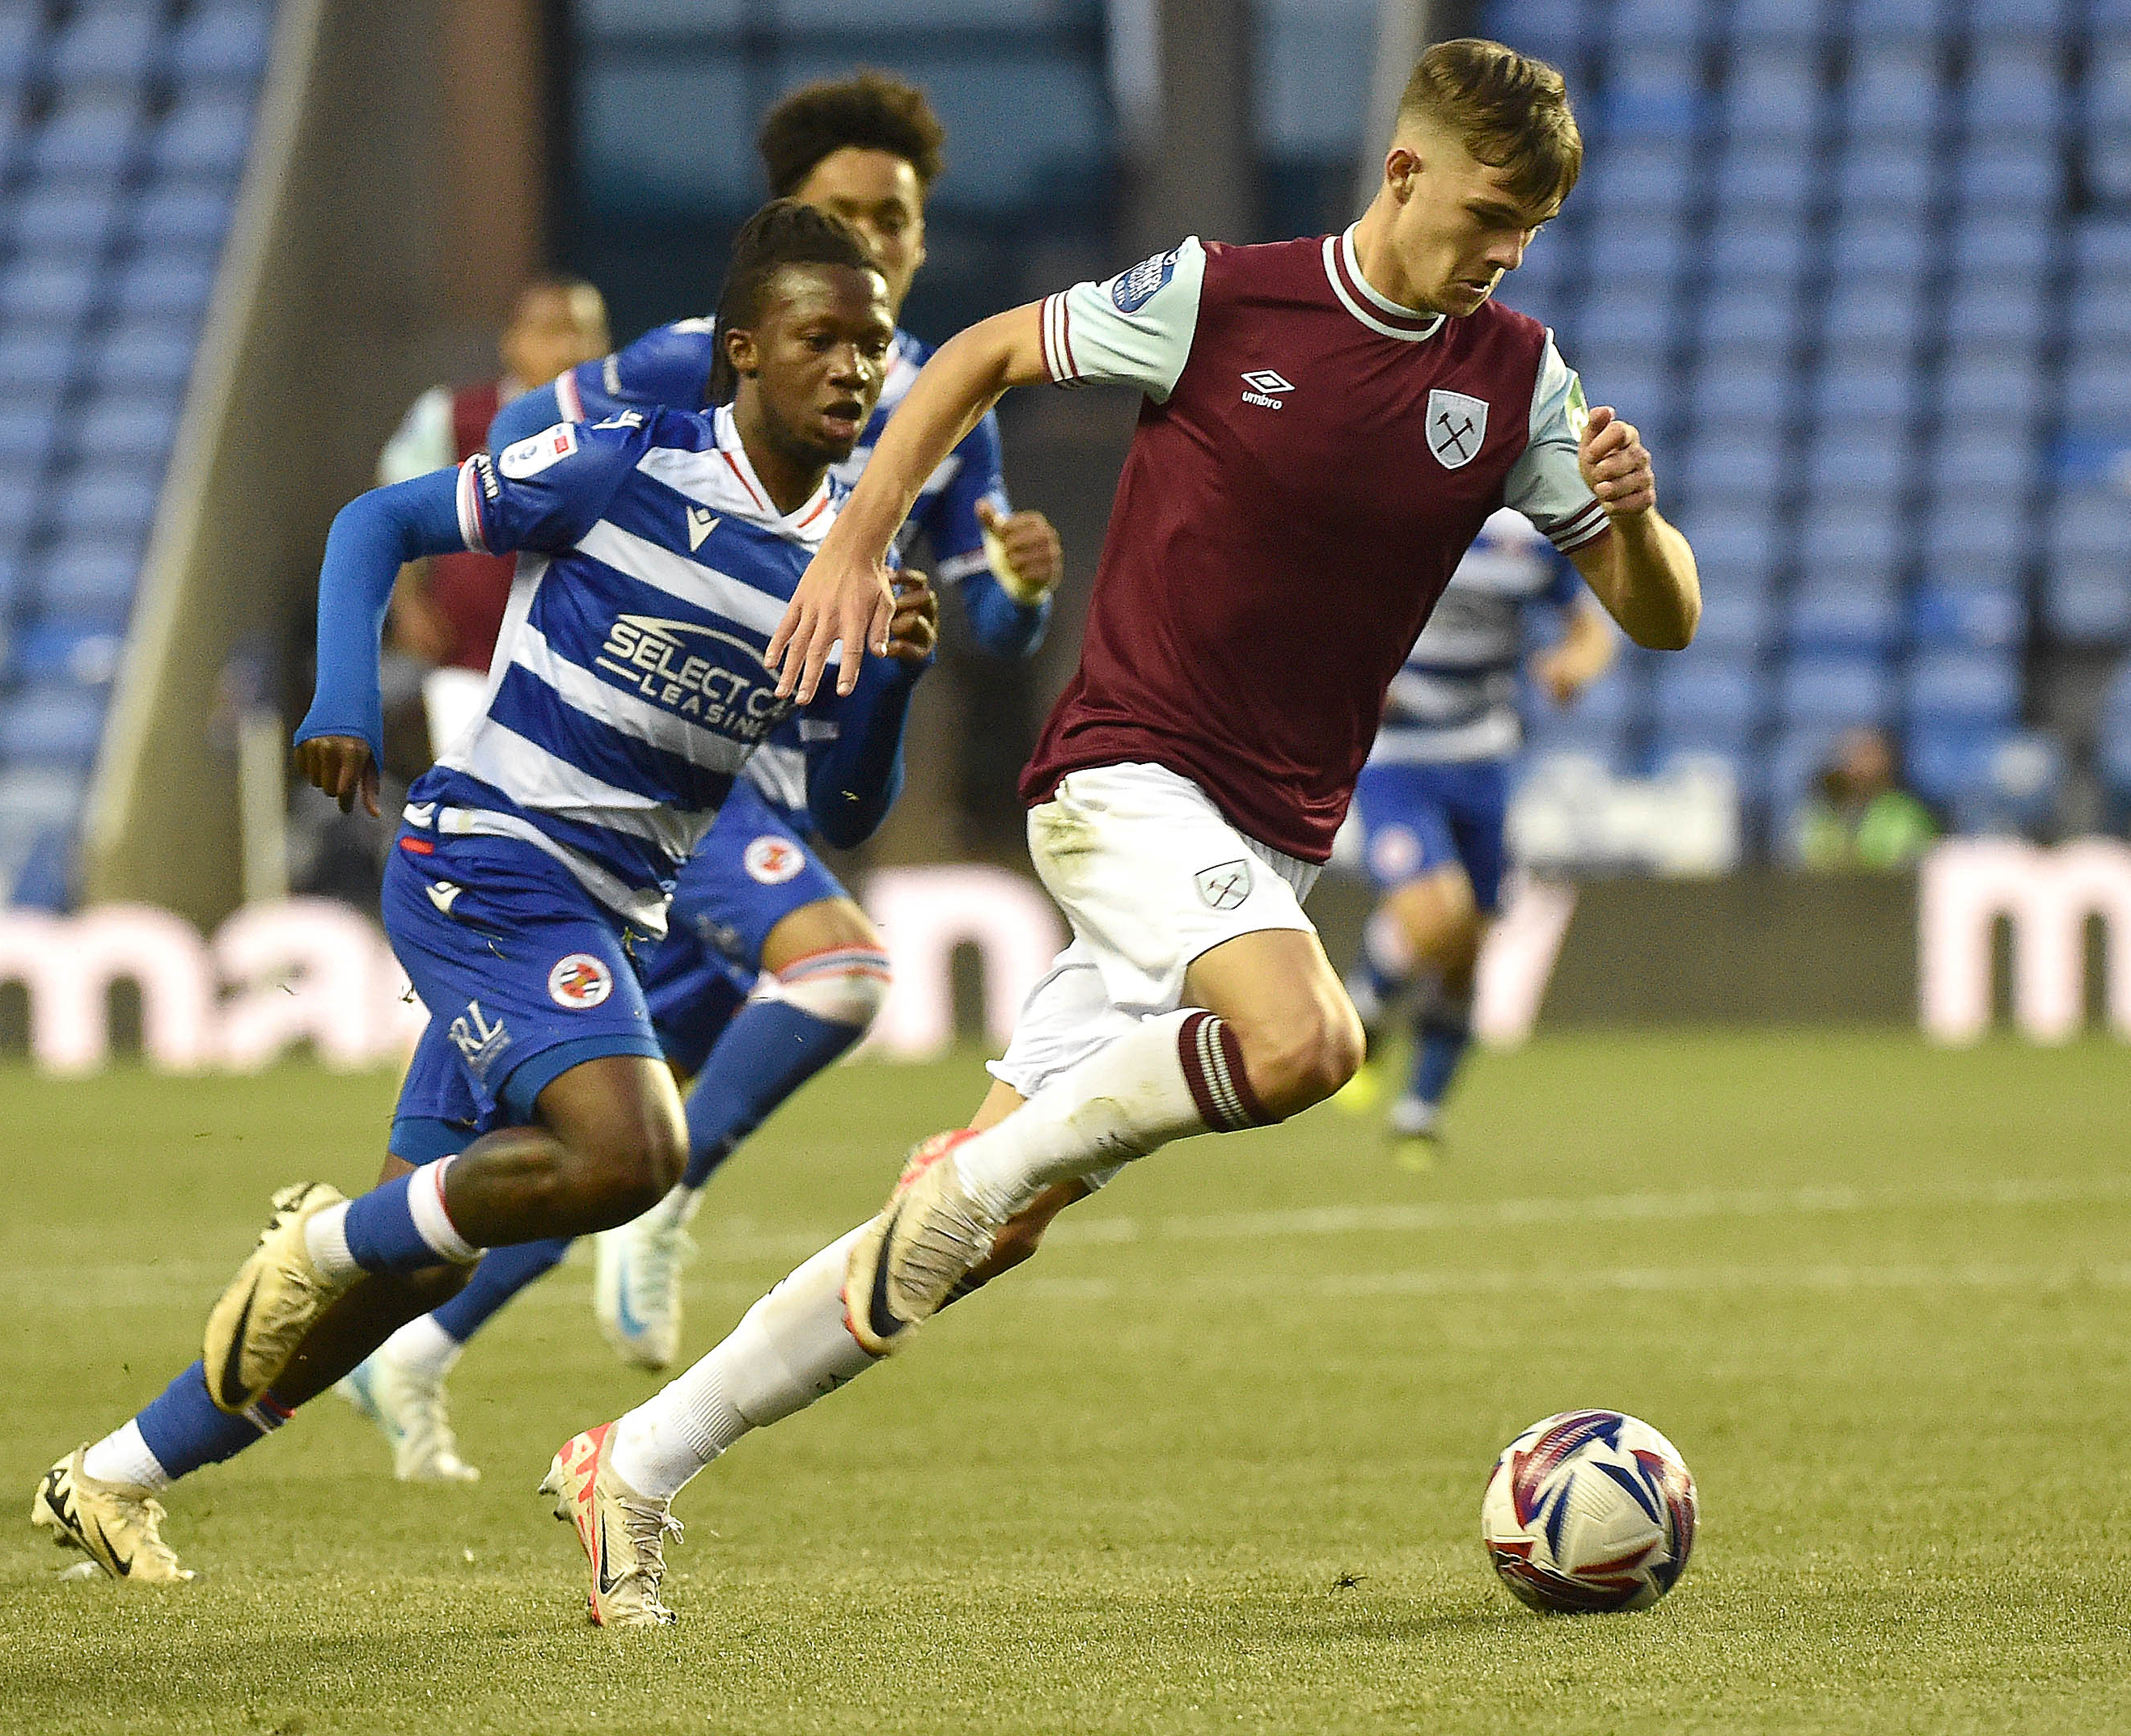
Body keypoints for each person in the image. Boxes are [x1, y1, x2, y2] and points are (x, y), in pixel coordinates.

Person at [540, 39, 1698, 1628]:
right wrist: (850, 548)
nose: (1505, 251)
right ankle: (995, 1158)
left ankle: (638, 1459)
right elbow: (967, 365)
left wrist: (1630, 517)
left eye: (1534, 230)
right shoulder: (1223, 296)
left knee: (964, 1238)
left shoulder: (1517, 381)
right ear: (1407, 171)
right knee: (1301, 1044)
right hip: (1124, 779)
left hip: (1268, 841)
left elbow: (1663, 619)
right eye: (1491, 211)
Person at [27, 202, 934, 1582]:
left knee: (424, 1265)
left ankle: (108, 1475)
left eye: (871, 345)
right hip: (491, 859)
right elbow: (375, 523)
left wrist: (893, 674)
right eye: (820, 337)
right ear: (743, 348)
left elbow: (850, 808)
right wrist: (341, 694)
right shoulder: (626, 464)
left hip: (597, 909)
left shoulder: (847, 563)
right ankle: (323, 1235)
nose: (853, 369)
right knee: (633, 1152)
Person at [332, 74, 1070, 1488]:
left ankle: (416, 1345)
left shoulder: (946, 407)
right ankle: (668, 1215)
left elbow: (977, 620)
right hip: (671, 769)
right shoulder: (698, 362)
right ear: (792, 227)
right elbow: (506, 446)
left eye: (897, 217)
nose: (880, 234)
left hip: (773, 790)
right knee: (839, 975)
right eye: (846, 213)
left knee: (608, 1116)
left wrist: (1025, 598)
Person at [1338, 507, 1613, 1168]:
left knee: (1468, 950)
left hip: (1484, 761)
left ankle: (1418, 1110)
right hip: (1394, 759)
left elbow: (1589, 628)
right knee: (1435, 921)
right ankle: (1371, 1000)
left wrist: (1574, 667)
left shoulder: (1522, 536)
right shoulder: (1385, 510)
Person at [376, 279, 612, 759]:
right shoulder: (454, 416)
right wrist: (408, 605)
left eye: (584, 332)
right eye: (551, 331)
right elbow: (391, 515)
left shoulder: (623, 428)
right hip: (468, 658)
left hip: (583, 672)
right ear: (512, 341)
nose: (570, 348)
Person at [1792, 725, 1937, 872]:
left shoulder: (1908, 813)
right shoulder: (1823, 812)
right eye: (1853, 754)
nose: (1860, 765)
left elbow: (1905, 862)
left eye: (1868, 755)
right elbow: (1810, 858)